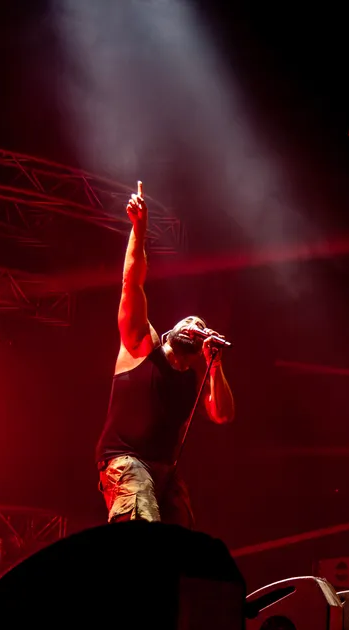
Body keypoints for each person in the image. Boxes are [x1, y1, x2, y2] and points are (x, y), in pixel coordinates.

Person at [95, 183, 235, 525]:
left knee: (183, 539)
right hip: (126, 460)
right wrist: (139, 229)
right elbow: (132, 283)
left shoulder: (194, 378)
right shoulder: (143, 345)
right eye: (188, 320)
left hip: (166, 471)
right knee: (143, 522)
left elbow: (222, 415)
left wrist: (215, 366)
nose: (194, 324)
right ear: (171, 332)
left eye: (200, 324)